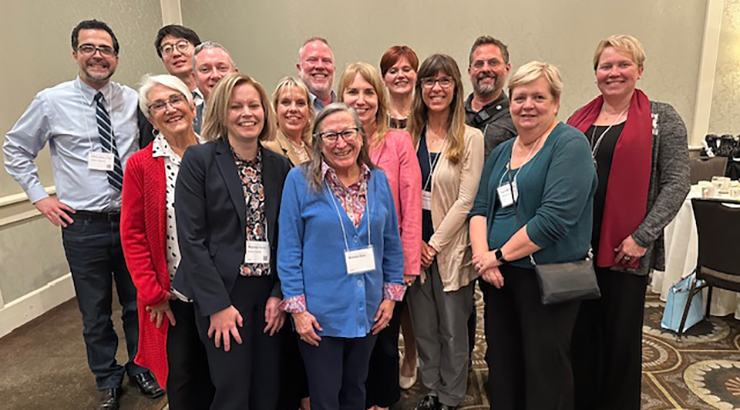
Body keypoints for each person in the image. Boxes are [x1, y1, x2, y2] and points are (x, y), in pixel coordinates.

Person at [3, 19, 163, 410]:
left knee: (136, 303)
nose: (97, 56)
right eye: (89, 48)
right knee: (94, 311)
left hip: (130, 220)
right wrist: (40, 198)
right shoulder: (50, 101)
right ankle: (107, 377)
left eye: (105, 49)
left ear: (116, 57)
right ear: (75, 53)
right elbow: (15, 149)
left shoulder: (133, 100)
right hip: (82, 224)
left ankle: (141, 366)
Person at [567, 35, 690, 410]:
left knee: (620, 343)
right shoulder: (579, 119)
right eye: (606, 66)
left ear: (639, 69)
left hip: (627, 251)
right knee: (580, 337)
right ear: (596, 74)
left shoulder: (661, 118)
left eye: (623, 65)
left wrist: (642, 236)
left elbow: (677, 182)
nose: (614, 73)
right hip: (579, 249)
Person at [469, 61, 597, 410]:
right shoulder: (500, 152)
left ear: (556, 102)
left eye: (538, 97)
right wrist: (484, 259)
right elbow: (479, 208)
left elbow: (554, 220)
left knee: (545, 370)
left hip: (546, 279)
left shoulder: (570, 145)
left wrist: (496, 255)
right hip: (499, 278)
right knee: (503, 363)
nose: (527, 105)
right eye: (520, 97)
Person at [173, 73, 291, 410]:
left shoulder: (279, 166)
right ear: (222, 112)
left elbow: (286, 235)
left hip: (266, 293)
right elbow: (191, 240)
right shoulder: (200, 160)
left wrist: (278, 293)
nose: (247, 113)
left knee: (267, 387)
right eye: (236, 106)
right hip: (224, 291)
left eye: (254, 105)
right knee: (232, 391)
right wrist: (216, 306)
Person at [278, 103, 406, 410]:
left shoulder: (378, 180)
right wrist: (298, 311)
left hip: (367, 309)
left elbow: (391, 241)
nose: (341, 142)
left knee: (356, 390)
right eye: (330, 135)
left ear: (361, 136)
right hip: (320, 316)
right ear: (318, 142)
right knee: (325, 396)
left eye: (348, 133)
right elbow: (289, 249)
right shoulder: (299, 180)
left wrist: (390, 298)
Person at [121, 74, 214, 410]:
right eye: (158, 105)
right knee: (184, 382)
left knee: (222, 376)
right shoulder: (141, 165)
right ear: (150, 118)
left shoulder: (216, 154)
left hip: (220, 293)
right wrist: (152, 293)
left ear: (191, 105)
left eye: (175, 100)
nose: (170, 109)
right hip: (172, 297)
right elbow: (132, 235)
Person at [338, 62, 422, 409]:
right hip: (339, 265)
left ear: (379, 97)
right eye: (352, 91)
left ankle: (381, 401)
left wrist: (407, 266)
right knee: (347, 339)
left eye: (368, 91)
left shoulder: (399, 142)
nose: (361, 99)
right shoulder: (333, 141)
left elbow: (412, 203)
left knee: (384, 339)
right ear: (341, 97)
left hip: (386, 264)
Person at [405, 54, 484, 410]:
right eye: (429, 81)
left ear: (455, 87)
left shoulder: (471, 138)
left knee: (453, 328)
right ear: (420, 88)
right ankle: (431, 388)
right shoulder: (407, 136)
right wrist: (414, 244)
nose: (436, 88)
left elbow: (467, 200)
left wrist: (432, 245)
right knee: (424, 327)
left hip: (449, 247)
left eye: (444, 81)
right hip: (413, 244)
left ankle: (451, 395)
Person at [139, 25, 203, 148]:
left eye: (182, 46)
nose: (175, 53)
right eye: (167, 49)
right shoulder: (153, 100)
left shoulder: (217, 93)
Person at [264, 76, 314, 165]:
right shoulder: (269, 148)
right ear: (275, 109)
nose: (293, 109)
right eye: (286, 102)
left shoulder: (313, 149)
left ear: (309, 112)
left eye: (300, 103)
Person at [380, 45, 419, 130]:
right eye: (393, 71)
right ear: (383, 79)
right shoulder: (377, 116)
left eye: (406, 70)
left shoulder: (424, 114)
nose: (400, 75)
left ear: (416, 75)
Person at [297, 37, 336, 114]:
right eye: (312, 60)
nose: (320, 66)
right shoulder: (290, 112)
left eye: (326, 60)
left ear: (333, 68)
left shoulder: (345, 106)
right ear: (299, 69)